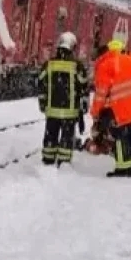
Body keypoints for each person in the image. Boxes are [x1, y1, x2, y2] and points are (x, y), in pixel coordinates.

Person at [90, 39, 131, 177]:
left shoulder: (106, 65)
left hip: (121, 111)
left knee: (121, 140)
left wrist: (95, 112)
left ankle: (123, 169)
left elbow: (101, 93)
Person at [37, 31, 89, 166]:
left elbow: (41, 84)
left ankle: (48, 158)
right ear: (72, 47)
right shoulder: (77, 66)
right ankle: (63, 162)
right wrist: (83, 108)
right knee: (66, 137)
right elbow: (84, 87)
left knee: (50, 135)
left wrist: (42, 102)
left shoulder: (49, 64)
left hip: (52, 110)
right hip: (69, 112)